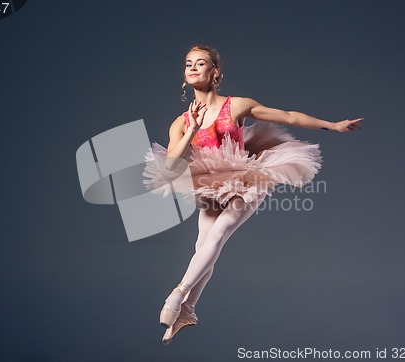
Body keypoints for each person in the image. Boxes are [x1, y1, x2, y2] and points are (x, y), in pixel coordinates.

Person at [143, 45, 363, 344]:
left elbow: (289, 117)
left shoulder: (235, 106)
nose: (193, 68)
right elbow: (170, 164)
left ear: (214, 71)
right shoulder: (181, 122)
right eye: (188, 64)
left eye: (201, 63)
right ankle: (189, 311)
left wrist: (333, 125)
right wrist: (193, 129)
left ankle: (178, 295)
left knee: (219, 234)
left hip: (248, 176)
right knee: (202, 245)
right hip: (210, 181)